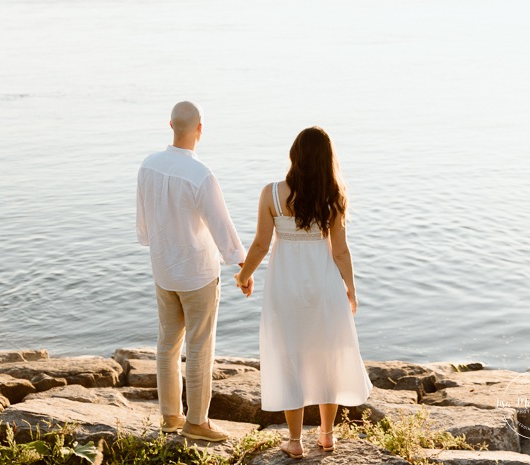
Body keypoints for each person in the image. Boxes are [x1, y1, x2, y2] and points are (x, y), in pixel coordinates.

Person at [235, 126, 372, 458]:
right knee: (328, 356)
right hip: (325, 290)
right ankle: (326, 436)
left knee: (289, 357)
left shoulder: (271, 194)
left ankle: (295, 441)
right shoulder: (333, 198)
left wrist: (243, 275)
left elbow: (260, 244)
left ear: (294, 155)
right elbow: (340, 251)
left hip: (286, 290)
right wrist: (351, 288)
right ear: (327, 160)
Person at [136, 101, 252, 442]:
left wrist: (153, 242)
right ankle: (197, 422)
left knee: (167, 345)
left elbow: (143, 226)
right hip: (198, 274)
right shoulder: (201, 175)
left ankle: (170, 416)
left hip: (163, 271)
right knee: (200, 347)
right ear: (201, 129)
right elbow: (222, 227)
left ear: (170, 124)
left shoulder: (148, 166)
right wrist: (243, 266)